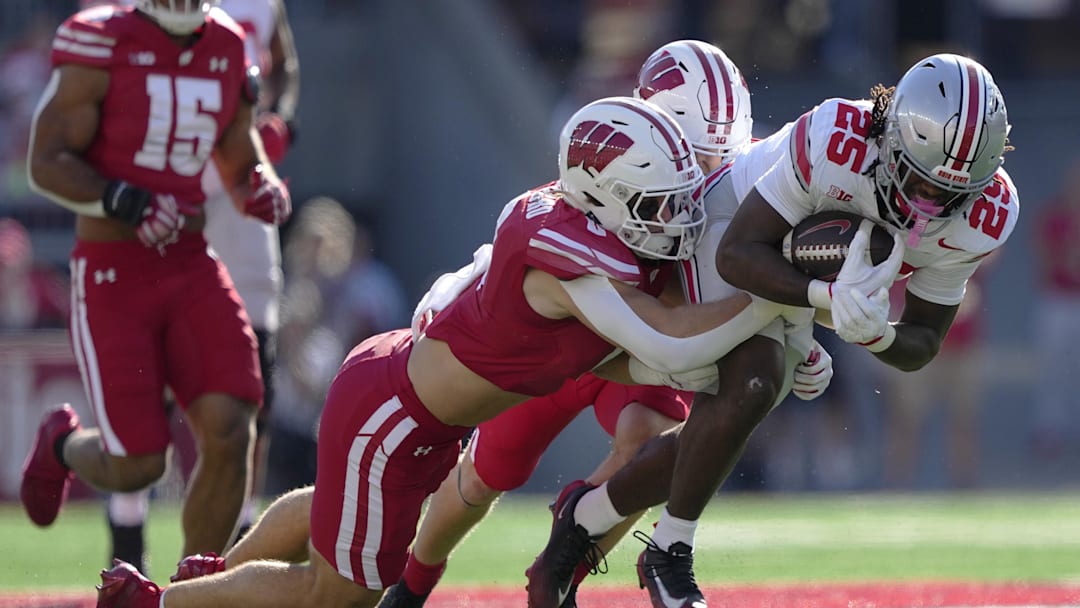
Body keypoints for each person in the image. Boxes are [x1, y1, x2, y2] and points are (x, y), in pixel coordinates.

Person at [93, 95, 814, 608]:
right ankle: (153, 603)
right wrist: (791, 297)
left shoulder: (590, 233)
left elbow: (648, 358)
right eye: (659, 206)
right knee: (337, 594)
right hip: (398, 412)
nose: (679, 220)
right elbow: (667, 339)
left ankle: (209, 571)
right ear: (603, 196)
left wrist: (783, 343)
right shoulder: (573, 258)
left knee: (336, 517)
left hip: (419, 409)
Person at [529, 52, 1016, 608]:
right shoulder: (836, 139)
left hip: (796, 270)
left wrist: (874, 334)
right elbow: (740, 253)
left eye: (950, 195)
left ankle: (582, 520)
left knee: (724, 425)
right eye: (918, 182)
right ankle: (669, 551)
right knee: (753, 380)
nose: (927, 207)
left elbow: (924, 341)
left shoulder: (991, 211)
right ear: (889, 139)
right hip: (726, 223)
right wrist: (816, 306)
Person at [379, 40, 835, 608]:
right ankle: (412, 584)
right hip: (566, 346)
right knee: (485, 473)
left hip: (646, 346)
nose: (709, 176)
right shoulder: (610, 161)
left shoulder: (746, 174)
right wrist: (464, 280)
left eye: (723, 157)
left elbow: (748, 270)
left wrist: (797, 338)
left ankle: (564, 560)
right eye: (698, 157)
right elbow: (530, 229)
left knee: (647, 442)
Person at [20, 0, 291, 566]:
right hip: (114, 268)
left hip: (191, 258)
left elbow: (238, 156)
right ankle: (63, 446)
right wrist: (119, 197)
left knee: (232, 425)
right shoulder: (101, 38)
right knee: (139, 463)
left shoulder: (223, 41)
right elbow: (46, 160)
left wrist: (257, 186)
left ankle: (194, 596)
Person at [104, 0, 301, 573]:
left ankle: (240, 537)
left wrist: (281, 119)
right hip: (165, 186)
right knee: (145, 374)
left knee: (254, 373)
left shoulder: (261, 6)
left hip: (237, 193)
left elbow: (284, 65)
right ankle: (126, 536)